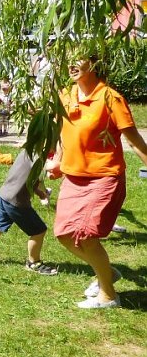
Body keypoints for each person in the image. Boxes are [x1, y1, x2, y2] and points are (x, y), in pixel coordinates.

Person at [45, 54, 147, 308]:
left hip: (103, 177)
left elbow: (134, 141)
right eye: (67, 59)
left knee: (86, 236)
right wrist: (58, 160)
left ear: (94, 64)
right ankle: (106, 273)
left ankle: (109, 295)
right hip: (73, 177)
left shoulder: (110, 98)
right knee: (64, 234)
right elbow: (62, 132)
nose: (70, 65)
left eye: (77, 59)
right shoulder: (65, 94)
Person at [0, 148, 55, 274]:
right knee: (39, 231)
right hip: (16, 202)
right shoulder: (39, 157)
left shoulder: (28, 150)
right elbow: (51, 171)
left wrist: (40, 194)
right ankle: (34, 263)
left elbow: (28, 179)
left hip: (4, 195)